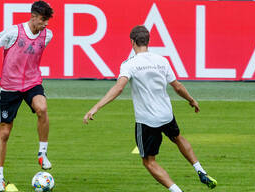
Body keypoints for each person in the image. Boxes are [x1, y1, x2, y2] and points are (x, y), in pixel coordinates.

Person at [83, 25, 217, 192]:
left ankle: (177, 191)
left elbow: (118, 88)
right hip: (166, 114)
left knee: (148, 161)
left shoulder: (129, 64)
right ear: (148, 41)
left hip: (147, 121)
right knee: (177, 137)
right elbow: (178, 86)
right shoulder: (162, 61)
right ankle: (200, 170)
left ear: (132, 42)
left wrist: (96, 107)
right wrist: (191, 100)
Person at [0, 1, 53, 191]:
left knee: (43, 108)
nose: (46, 24)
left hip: (32, 83)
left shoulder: (47, 35)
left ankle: (42, 153)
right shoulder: (13, 32)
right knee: (4, 132)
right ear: (33, 16)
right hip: (10, 87)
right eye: (43, 19)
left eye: (47, 20)